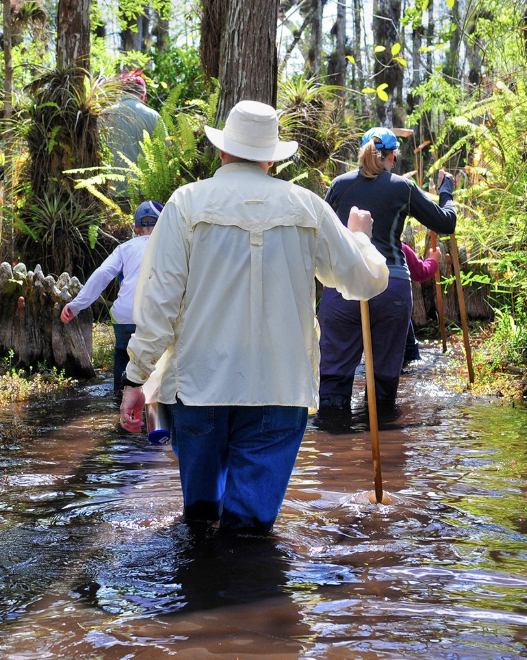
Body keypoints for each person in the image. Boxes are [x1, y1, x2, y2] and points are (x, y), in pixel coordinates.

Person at [119, 100, 388, 534]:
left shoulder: (186, 203)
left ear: (223, 151)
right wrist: (358, 239)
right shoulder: (307, 207)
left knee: (200, 524)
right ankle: (250, 589)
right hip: (279, 390)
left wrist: (135, 380)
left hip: (198, 388)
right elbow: (364, 281)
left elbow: (158, 305)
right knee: (250, 534)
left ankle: (202, 592)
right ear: (271, 157)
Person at [318, 127, 457, 414]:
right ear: (392, 157)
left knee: (332, 380)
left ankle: (334, 449)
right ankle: (382, 437)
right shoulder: (401, 188)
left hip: (342, 287)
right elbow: (446, 223)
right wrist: (446, 193)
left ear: (361, 154)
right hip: (389, 287)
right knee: (383, 386)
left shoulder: (339, 185)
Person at [61, 200, 164, 399]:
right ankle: (153, 407)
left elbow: (102, 275)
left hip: (126, 315)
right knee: (157, 361)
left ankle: (119, 401)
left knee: (123, 356)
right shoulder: (172, 247)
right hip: (157, 316)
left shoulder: (124, 249)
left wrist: (75, 306)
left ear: (135, 228)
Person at [102, 70, 161, 198]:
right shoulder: (153, 116)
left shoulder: (104, 115)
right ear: (143, 93)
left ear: (122, 91)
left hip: (111, 192)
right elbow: (165, 153)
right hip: (144, 193)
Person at [402, 242, 441, 365]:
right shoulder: (400, 247)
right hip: (397, 303)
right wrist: (433, 260)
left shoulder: (357, 243)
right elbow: (421, 273)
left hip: (362, 303)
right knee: (409, 356)